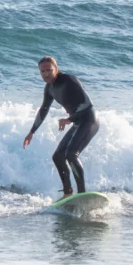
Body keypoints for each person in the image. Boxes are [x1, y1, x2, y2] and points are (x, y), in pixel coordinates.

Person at [22, 56, 100, 199]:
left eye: (49, 70)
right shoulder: (49, 88)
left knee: (71, 153)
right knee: (58, 156)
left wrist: (69, 119)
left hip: (89, 120)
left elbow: (87, 104)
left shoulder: (69, 81)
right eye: (42, 71)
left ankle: (81, 194)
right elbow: (44, 109)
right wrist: (32, 132)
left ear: (56, 69)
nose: (46, 74)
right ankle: (67, 192)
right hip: (77, 122)